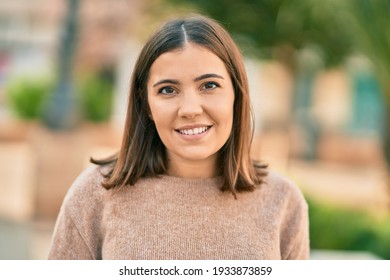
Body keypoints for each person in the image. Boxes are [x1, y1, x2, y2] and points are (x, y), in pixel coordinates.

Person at [48, 14, 309, 260]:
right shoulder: (94, 195)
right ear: (146, 104)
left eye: (209, 86)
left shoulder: (283, 201)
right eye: (168, 90)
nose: (190, 109)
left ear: (236, 94)